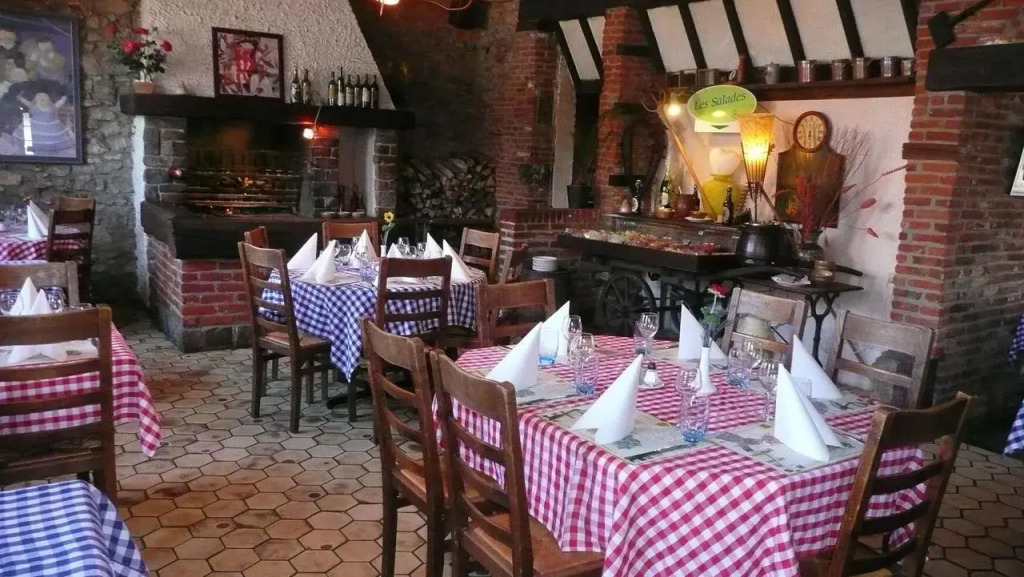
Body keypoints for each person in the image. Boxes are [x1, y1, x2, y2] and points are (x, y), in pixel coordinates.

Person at [13, 90, 75, 155]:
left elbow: (59, 103)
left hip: (50, 127)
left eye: (44, 96)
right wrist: (19, 97)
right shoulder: (33, 106)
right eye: (39, 96)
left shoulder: (52, 107)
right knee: (35, 139)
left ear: (48, 98)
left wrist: (64, 98)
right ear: (36, 98)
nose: (42, 97)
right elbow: (24, 101)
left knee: (51, 139)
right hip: (35, 127)